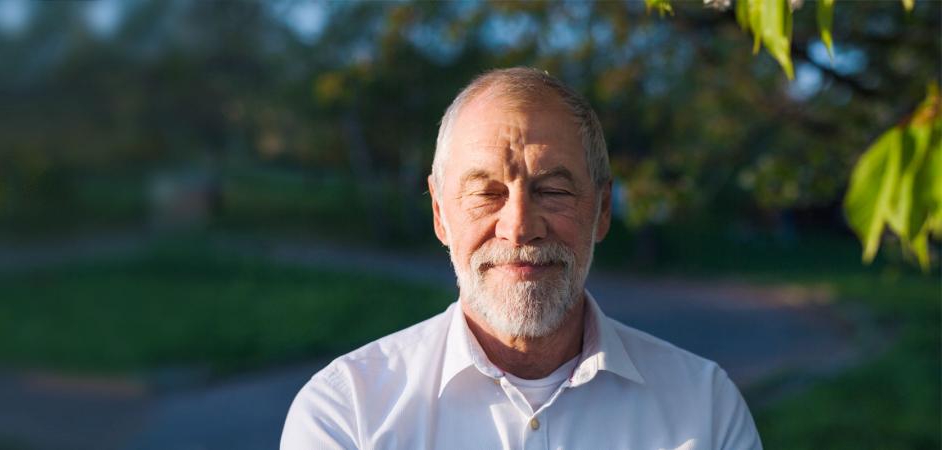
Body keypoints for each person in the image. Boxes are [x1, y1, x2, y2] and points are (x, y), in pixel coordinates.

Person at [280, 67, 762, 449]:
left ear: (602, 210)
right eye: (487, 193)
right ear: (440, 215)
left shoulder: (704, 406)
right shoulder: (348, 415)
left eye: (552, 190)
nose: (519, 226)